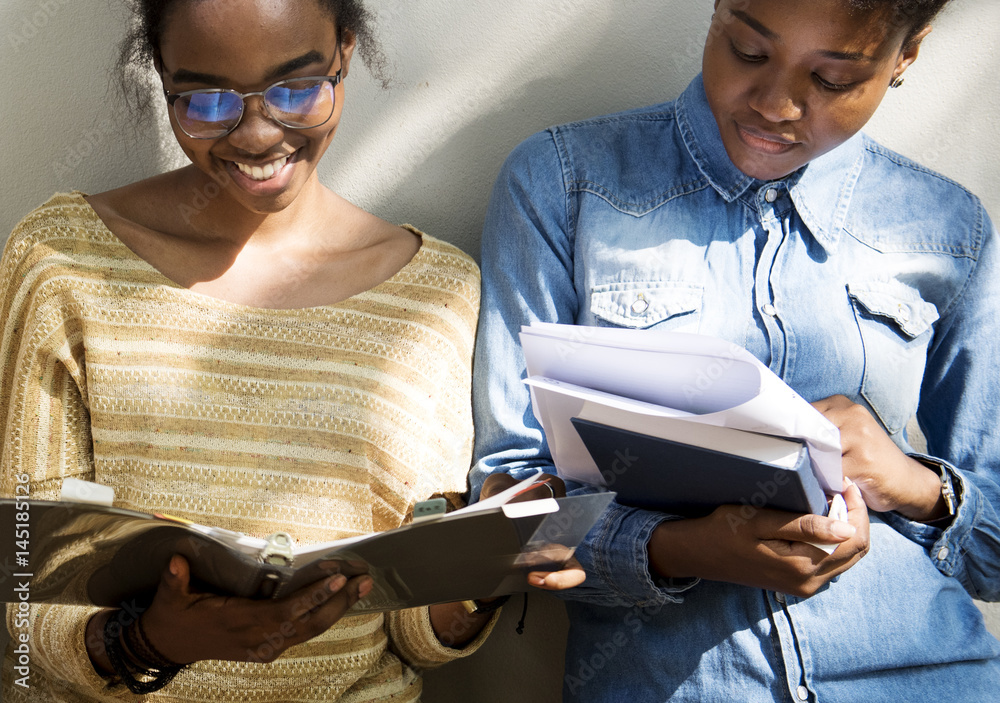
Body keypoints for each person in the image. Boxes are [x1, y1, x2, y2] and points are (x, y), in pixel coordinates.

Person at [472, 0, 1000, 700]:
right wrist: (680, 548)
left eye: (834, 79)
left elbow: (993, 552)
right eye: (749, 51)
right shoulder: (563, 183)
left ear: (906, 56)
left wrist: (917, 486)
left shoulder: (949, 227)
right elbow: (506, 513)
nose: (777, 104)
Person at [0, 0, 497, 700]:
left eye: (297, 88)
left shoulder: (437, 291)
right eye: (205, 100)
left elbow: (411, 622)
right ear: (162, 80)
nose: (258, 135)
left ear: (344, 53)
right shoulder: (62, 260)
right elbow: (25, 577)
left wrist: (485, 577)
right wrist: (147, 643)